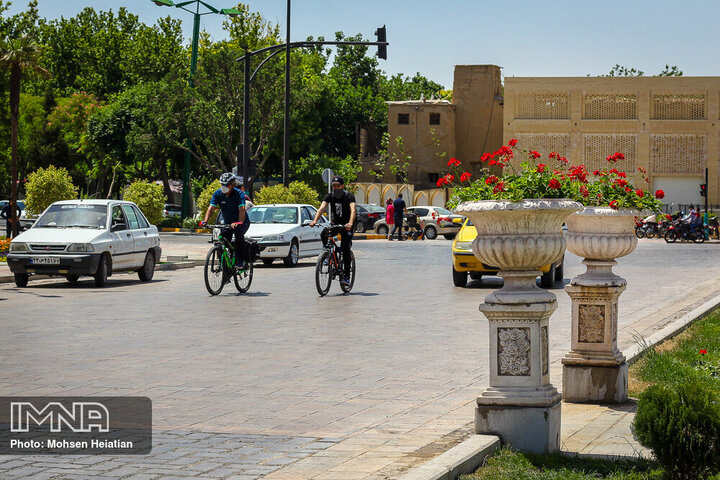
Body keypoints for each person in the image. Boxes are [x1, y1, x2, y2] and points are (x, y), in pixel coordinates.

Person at [310, 175, 356, 287]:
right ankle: (329, 253)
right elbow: (322, 208)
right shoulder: (329, 196)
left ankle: (346, 277)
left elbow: (353, 210)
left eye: (338, 186)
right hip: (336, 223)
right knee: (324, 233)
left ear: (342, 186)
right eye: (334, 186)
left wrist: (350, 223)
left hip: (347, 224)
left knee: (345, 248)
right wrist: (315, 220)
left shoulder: (349, 196)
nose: (336, 188)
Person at [200, 173, 250, 270]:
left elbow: (242, 210)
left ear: (233, 184)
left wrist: (239, 222)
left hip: (242, 222)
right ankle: (226, 268)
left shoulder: (239, 194)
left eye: (226, 185)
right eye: (222, 184)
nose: (224, 187)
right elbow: (211, 208)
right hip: (227, 223)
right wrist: (205, 221)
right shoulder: (218, 194)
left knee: (239, 235)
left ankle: (241, 260)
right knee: (222, 239)